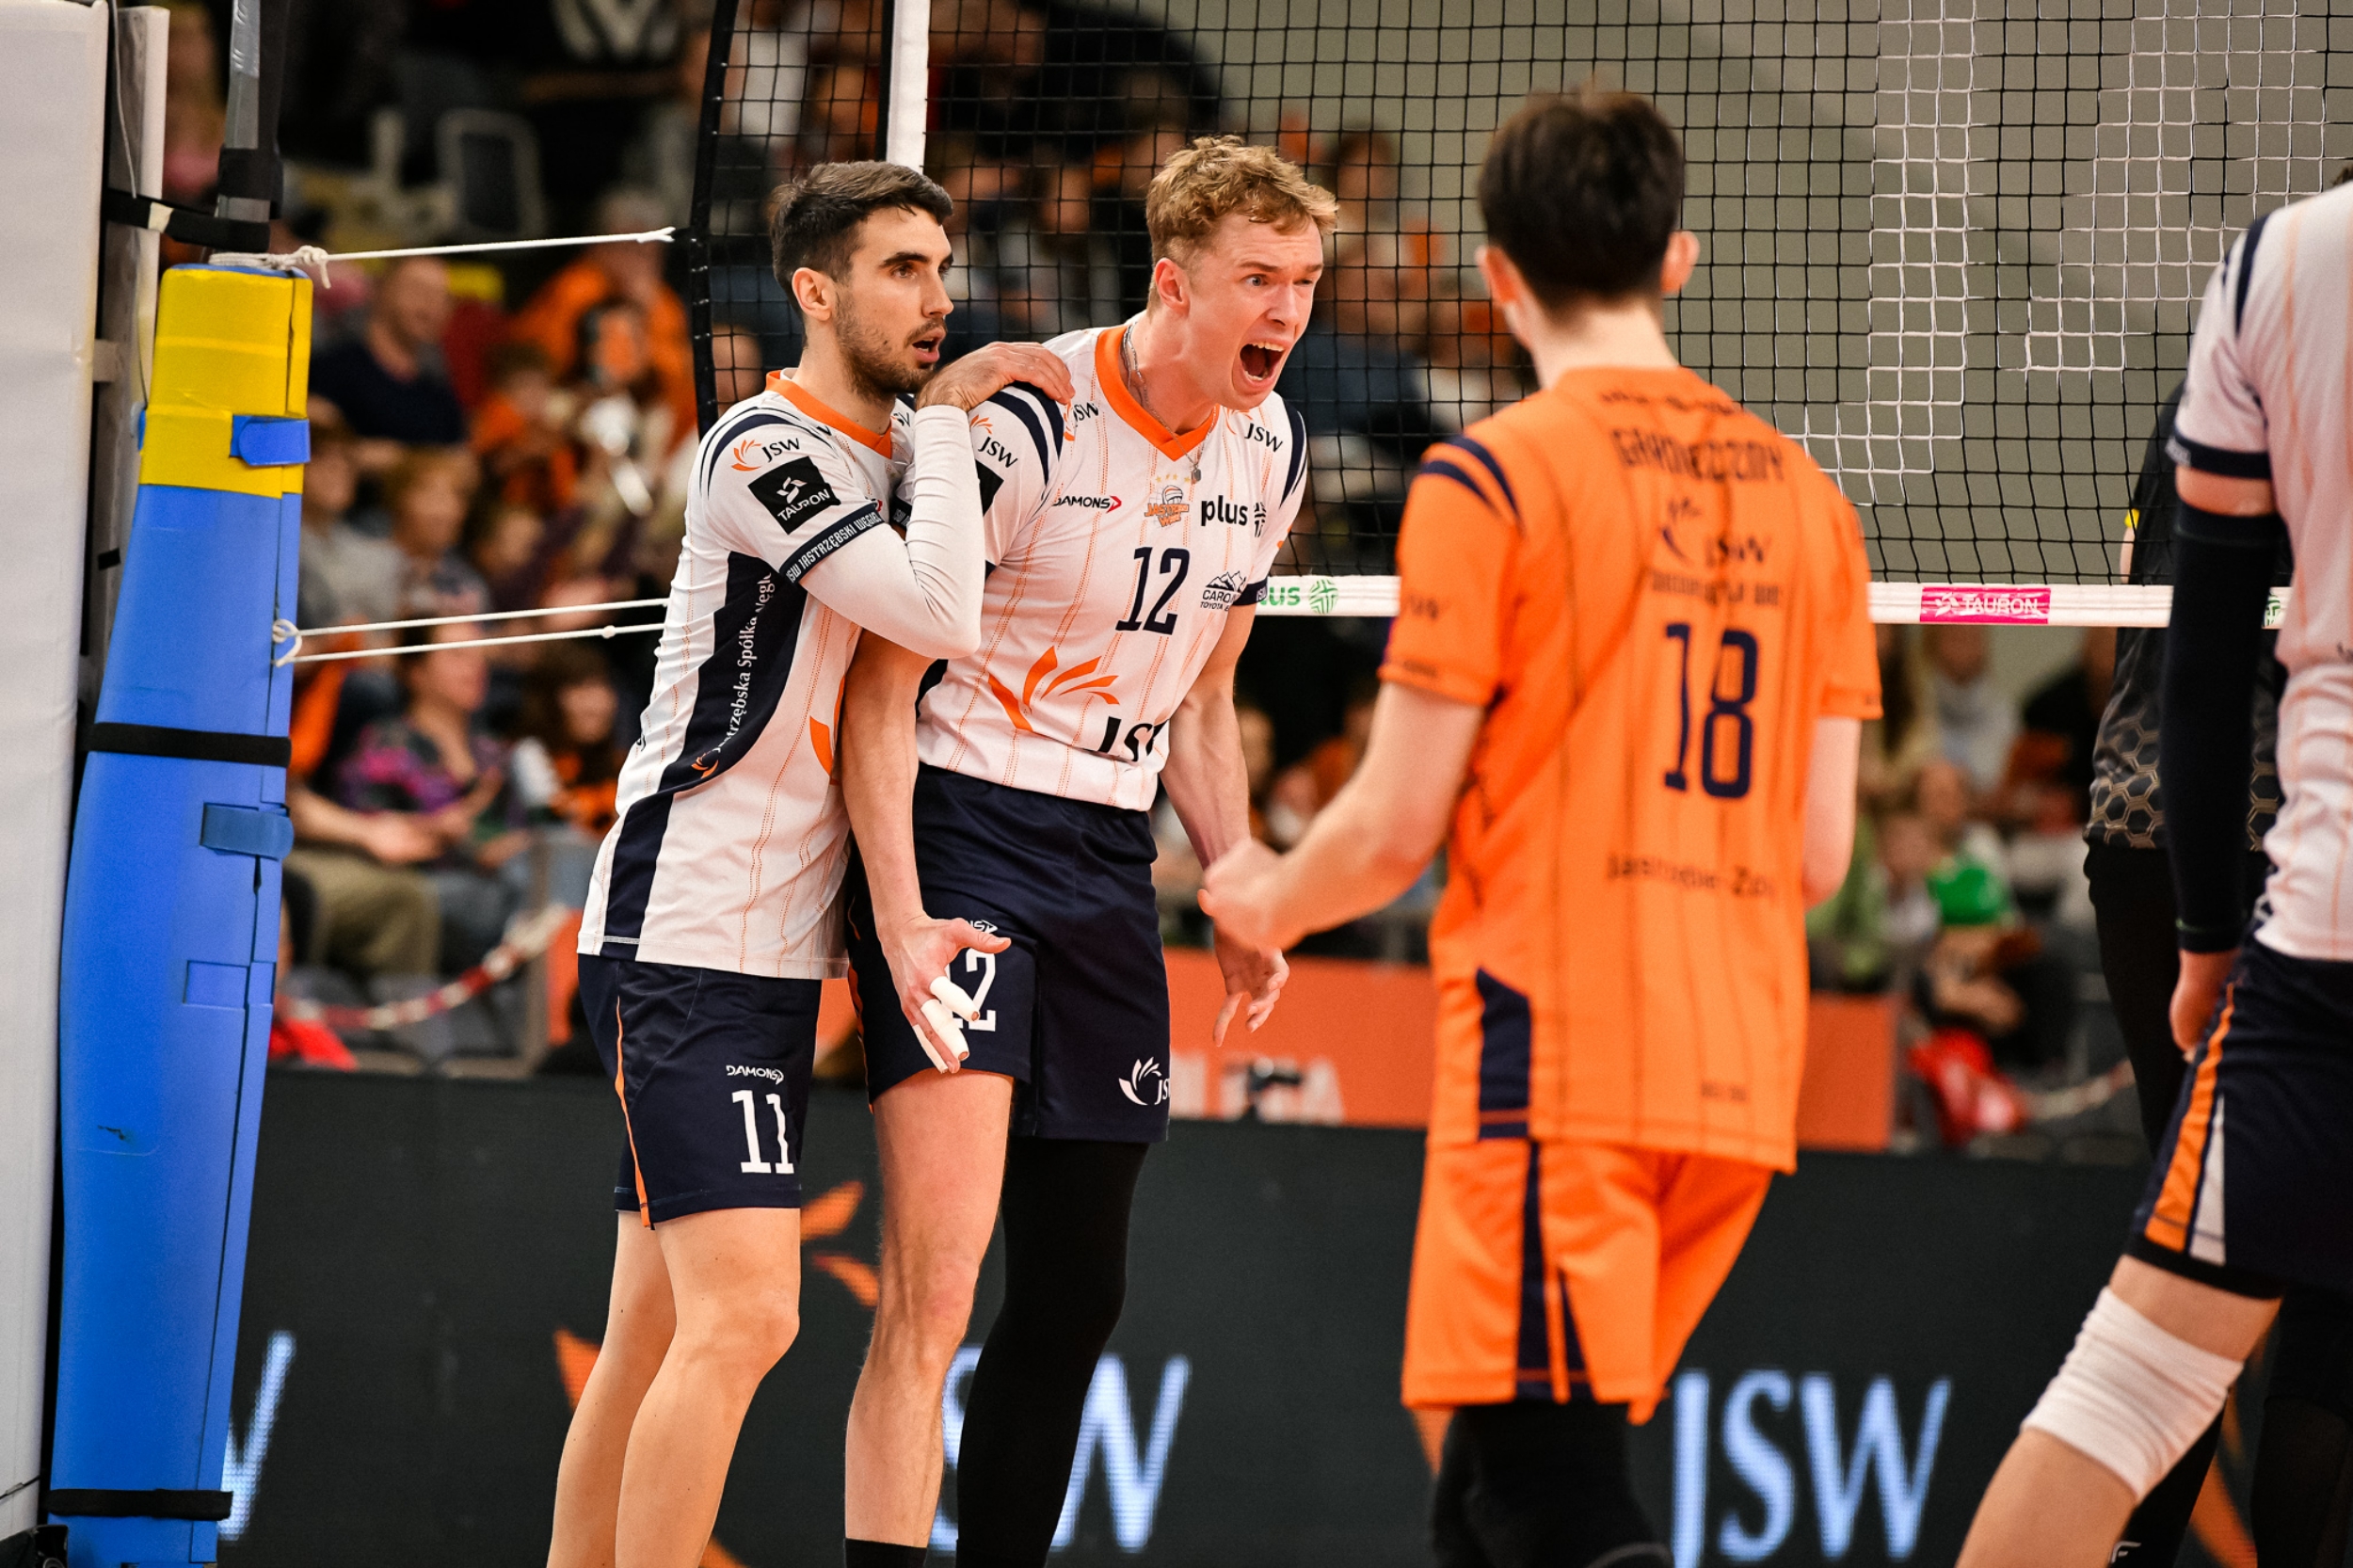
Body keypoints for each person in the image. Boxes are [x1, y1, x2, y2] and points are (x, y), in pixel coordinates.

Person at [1198, 88, 1878, 1568]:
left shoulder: (1493, 476)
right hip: (1738, 1066)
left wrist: (1260, 891)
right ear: (1677, 259)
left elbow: (1395, 824)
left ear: (1496, 273)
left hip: (1560, 1050)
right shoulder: (1815, 505)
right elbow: (1819, 858)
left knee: (1545, 1496)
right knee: (1483, 1493)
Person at [541, 160, 1072, 1568]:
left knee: (653, 1329)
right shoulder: (758, 448)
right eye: (902, 268)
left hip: (769, 952)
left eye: (943, 269)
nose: (937, 297)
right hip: (684, 926)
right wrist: (952, 424)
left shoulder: (887, 459)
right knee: (750, 1316)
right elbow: (936, 609)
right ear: (815, 291)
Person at [834, 135, 1329, 1568]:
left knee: (1075, 1293)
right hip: (964, 822)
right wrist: (899, 909)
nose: (1287, 310)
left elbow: (1206, 700)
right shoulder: (1032, 420)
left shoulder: (1274, 447)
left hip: (1111, 853)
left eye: (1304, 282)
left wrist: (1236, 878)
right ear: (1174, 284)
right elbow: (879, 688)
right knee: (935, 1287)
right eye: (1258, 279)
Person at [1956, 170, 2353, 1566]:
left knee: (2190, 1279)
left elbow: (2186, 652)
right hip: (2281, 856)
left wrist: (2197, 927)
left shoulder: (2267, 289)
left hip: (2166, 848)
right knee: (2309, 1299)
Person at [309, 256, 471, 460]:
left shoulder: (438, 393)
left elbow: (463, 461)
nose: (432, 305)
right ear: (381, 290)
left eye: (443, 296)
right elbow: (320, 450)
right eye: (419, 289)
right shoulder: (331, 372)